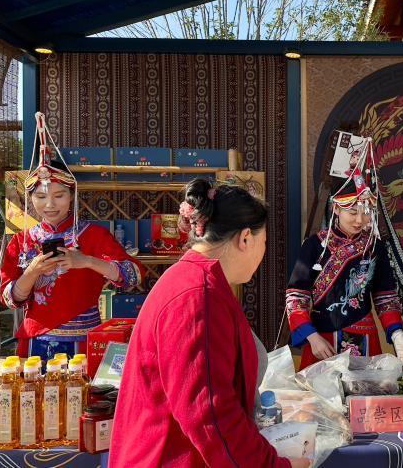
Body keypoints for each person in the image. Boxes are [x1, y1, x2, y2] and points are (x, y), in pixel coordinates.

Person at [110, 180, 309, 468]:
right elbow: (210, 415)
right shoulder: (196, 295)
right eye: (264, 242)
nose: (262, 253)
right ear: (245, 239)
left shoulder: (200, 282)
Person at [0, 113, 143, 360]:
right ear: (31, 199)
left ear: (72, 196)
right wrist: (32, 271)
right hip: (36, 342)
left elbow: (133, 275)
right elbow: (9, 299)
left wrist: (85, 261)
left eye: (59, 195)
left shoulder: (94, 235)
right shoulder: (22, 241)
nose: (50, 204)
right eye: (41, 197)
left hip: (86, 341)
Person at [286, 139, 403, 369]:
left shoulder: (375, 247)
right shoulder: (314, 245)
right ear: (336, 208)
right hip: (322, 339)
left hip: (365, 336)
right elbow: (297, 296)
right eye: (352, 212)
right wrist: (311, 336)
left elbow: (385, 296)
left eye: (365, 213)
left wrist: (396, 332)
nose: (359, 220)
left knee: (365, 398)